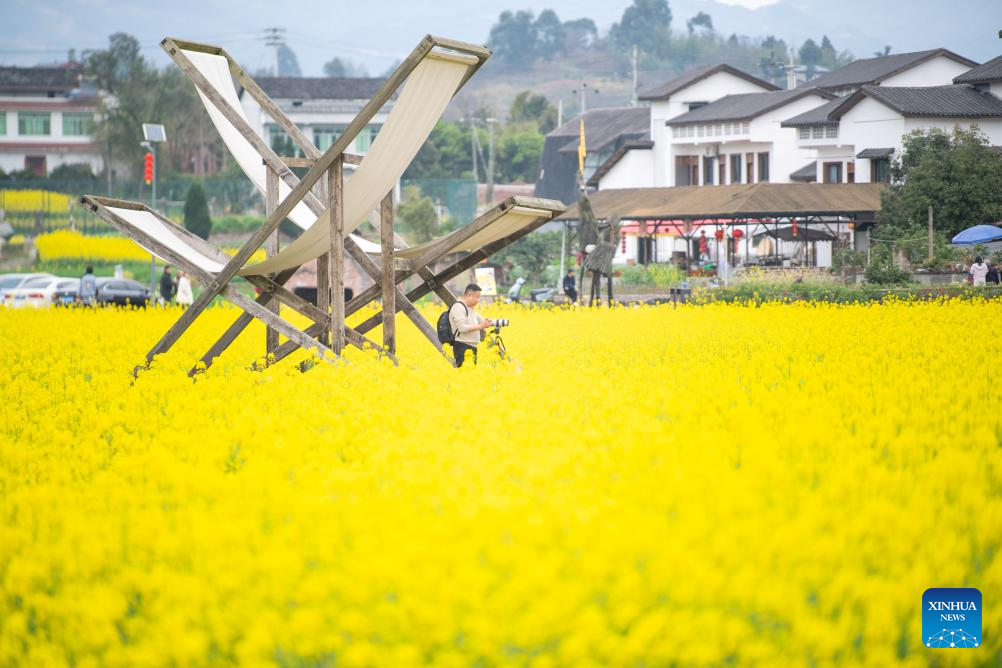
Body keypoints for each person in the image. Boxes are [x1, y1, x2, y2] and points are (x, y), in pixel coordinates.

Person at [449, 283, 493, 368]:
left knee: (470, 375)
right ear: (469, 295)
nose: (478, 300)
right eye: (477, 297)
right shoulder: (459, 307)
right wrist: (481, 326)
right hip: (462, 346)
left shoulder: (470, 308)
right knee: (464, 374)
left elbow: (483, 321)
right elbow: (461, 327)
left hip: (471, 346)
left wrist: (491, 322)